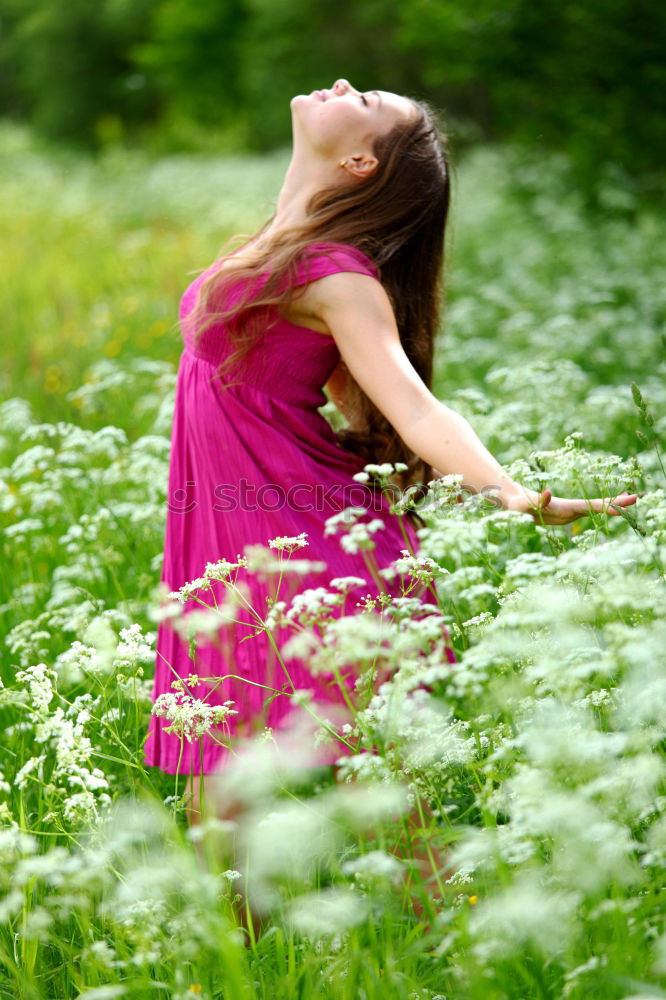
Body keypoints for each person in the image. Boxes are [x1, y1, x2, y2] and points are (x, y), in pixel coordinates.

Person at [143, 78, 637, 822]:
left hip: (307, 541)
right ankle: (245, 943)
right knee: (224, 785)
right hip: (237, 531)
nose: (342, 84)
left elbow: (413, 407)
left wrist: (513, 493)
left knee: (388, 807)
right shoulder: (282, 246)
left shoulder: (338, 277)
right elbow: (347, 396)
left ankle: (435, 929)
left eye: (366, 100)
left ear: (361, 165)